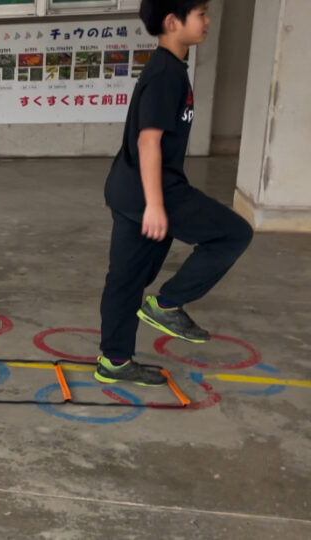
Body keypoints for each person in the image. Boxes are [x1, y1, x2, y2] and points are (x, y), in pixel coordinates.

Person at [96, 0, 252, 385]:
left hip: (129, 188)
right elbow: (149, 141)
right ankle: (166, 304)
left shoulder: (167, 68)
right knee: (233, 233)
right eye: (200, 15)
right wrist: (155, 205)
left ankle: (113, 362)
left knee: (126, 279)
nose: (207, 22)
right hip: (151, 191)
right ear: (172, 21)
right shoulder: (166, 73)